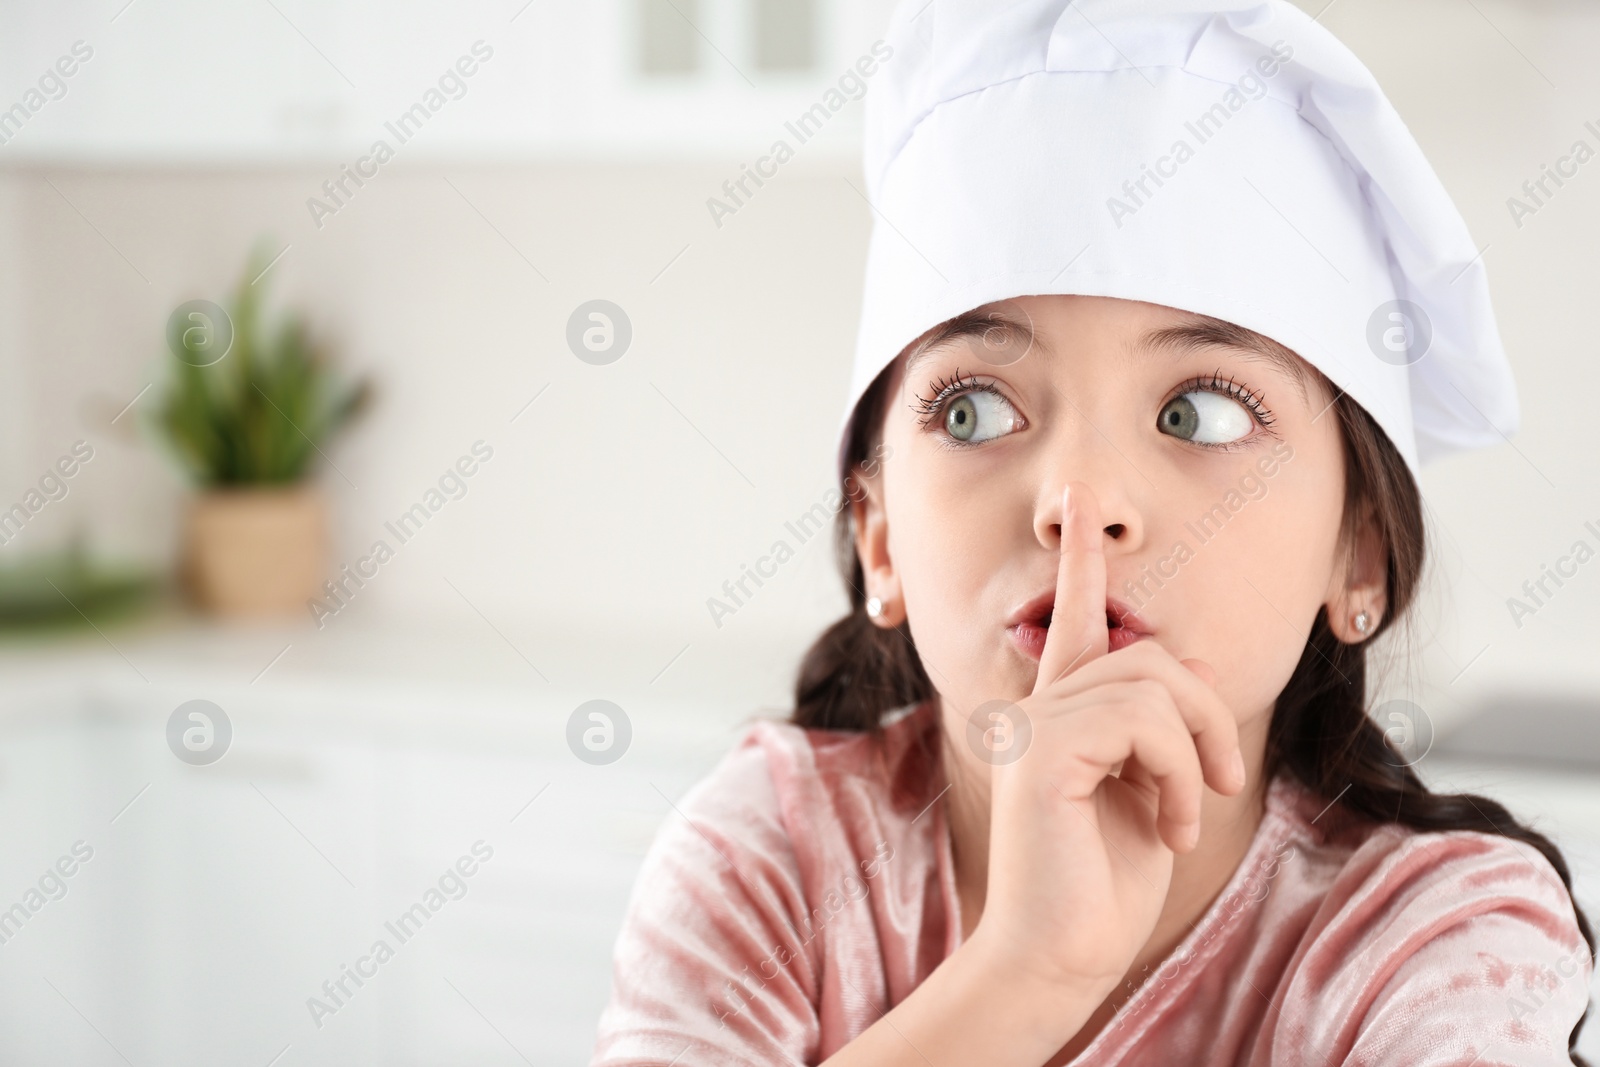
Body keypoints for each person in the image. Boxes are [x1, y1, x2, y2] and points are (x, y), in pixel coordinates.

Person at [590, 1, 1596, 1063]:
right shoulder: (773, 853)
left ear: (1359, 554)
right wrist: (1027, 972)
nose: (1078, 496)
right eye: (974, 408)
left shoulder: (1438, 940)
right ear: (879, 538)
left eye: (1199, 411)